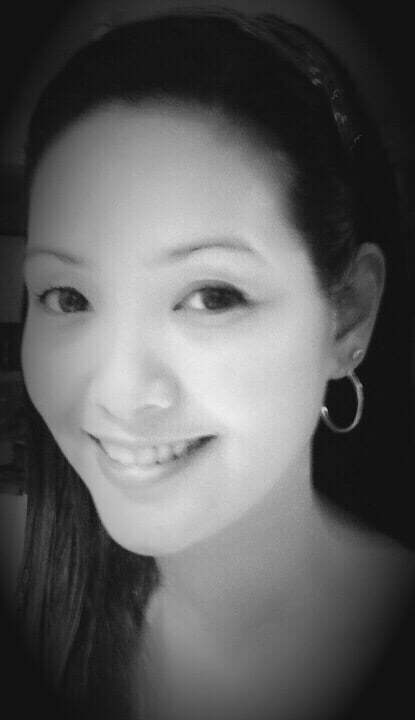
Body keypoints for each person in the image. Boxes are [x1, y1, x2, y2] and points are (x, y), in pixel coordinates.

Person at [14, 7, 414, 720]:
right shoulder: (38, 612)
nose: (119, 394)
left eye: (211, 296)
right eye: (68, 296)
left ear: (347, 315)